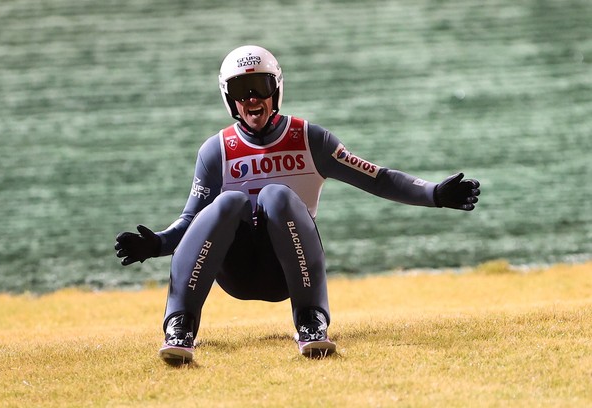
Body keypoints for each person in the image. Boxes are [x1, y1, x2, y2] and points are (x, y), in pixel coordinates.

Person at [114, 45, 481, 364]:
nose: (252, 98)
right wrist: (158, 243)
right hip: (235, 270)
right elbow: (192, 221)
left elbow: (377, 177)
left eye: (261, 86)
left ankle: (311, 320)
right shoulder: (215, 151)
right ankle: (179, 327)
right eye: (242, 90)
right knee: (229, 203)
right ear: (230, 99)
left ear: (277, 90)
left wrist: (435, 193)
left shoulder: (311, 139)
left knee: (277, 196)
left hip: (290, 269)